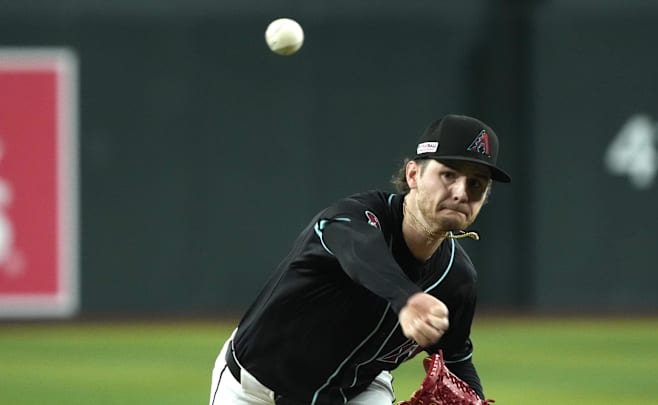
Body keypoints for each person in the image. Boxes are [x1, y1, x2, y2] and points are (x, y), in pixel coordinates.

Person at [209, 114, 512, 405]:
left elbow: (456, 357)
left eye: (476, 184)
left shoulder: (457, 279)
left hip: (355, 394)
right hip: (251, 390)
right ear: (413, 174)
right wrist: (406, 298)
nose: (461, 192)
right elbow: (359, 252)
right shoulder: (354, 218)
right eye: (448, 174)